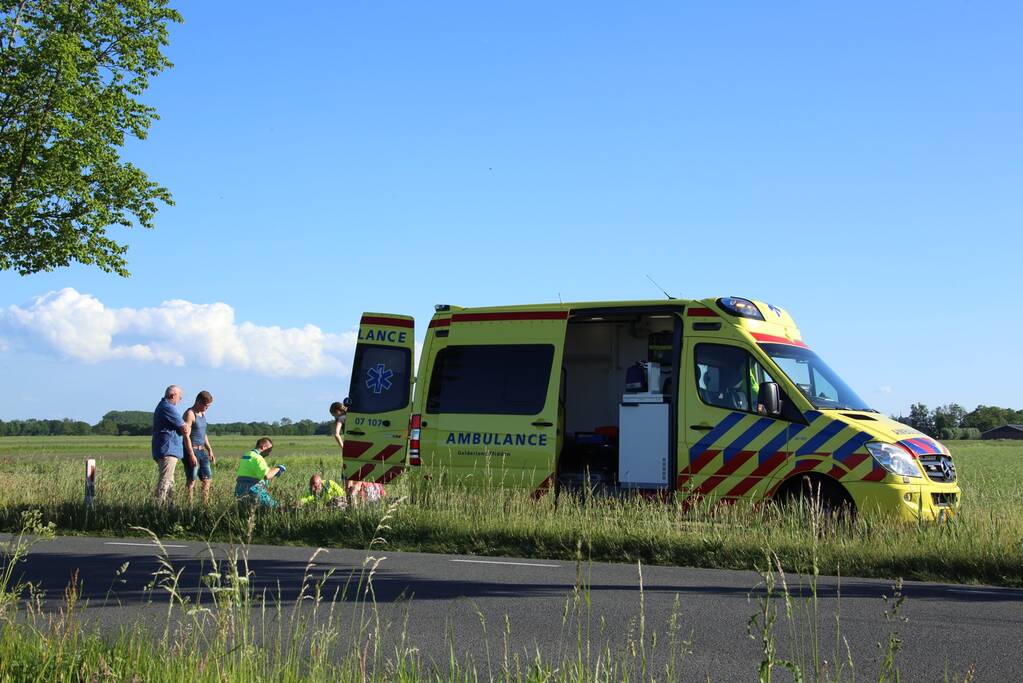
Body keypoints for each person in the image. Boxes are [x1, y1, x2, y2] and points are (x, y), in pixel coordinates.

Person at [152, 385, 185, 503]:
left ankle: (170, 506)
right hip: (168, 449)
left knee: (170, 481)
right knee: (165, 480)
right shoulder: (168, 407)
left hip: (165, 448)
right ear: (172, 395)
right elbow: (184, 427)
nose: (180, 400)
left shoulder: (162, 406)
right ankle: (158, 506)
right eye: (179, 397)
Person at [182, 390, 216, 505]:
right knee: (191, 480)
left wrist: (210, 450)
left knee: (207, 479)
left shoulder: (202, 414)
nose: (206, 408)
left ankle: (204, 505)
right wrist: (191, 454)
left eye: (208, 406)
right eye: (205, 405)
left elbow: (203, 434)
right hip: (192, 450)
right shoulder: (190, 414)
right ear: (198, 401)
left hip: (202, 451)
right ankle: (189, 506)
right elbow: (186, 436)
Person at [234, 437, 285, 508]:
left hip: (239, 490)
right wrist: (279, 468)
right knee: (277, 507)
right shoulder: (258, 458)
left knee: (244, 510)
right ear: (263, 447)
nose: (269, 453)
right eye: (269, 450)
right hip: (253, 489)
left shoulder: (246, 455)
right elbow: (267, 475)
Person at [329, 399, 349, 480]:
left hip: (349, 445)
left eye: (334, 415)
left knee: (346, 471)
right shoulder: (352, 415)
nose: (335, 417)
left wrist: (343, 447)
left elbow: (336, 434)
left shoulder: (341, 418)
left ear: (337, 411)